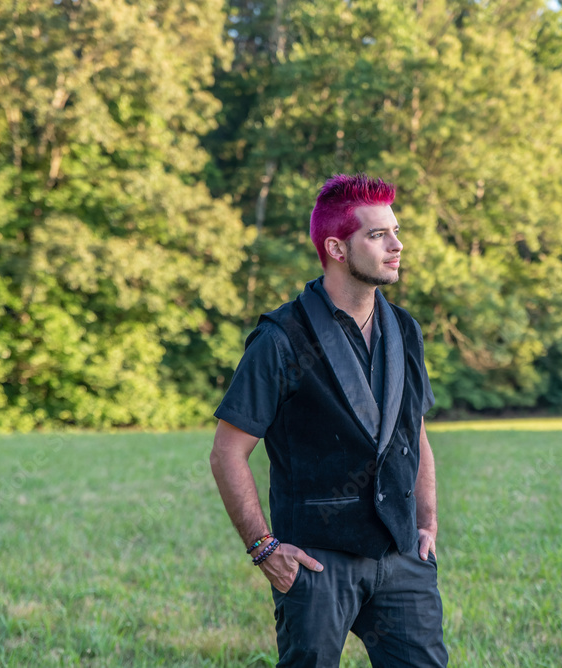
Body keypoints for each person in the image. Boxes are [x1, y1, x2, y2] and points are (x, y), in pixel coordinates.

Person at [209, 174, 448, 667]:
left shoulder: (406, 330)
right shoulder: (280, 338)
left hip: (402, 557)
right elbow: (227, 452)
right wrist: (264, 548)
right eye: (378, 235)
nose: (397, 245)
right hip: (315, 562)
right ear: (337, 248)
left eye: (396, 231)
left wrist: (426, 522)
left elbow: (415, 431)